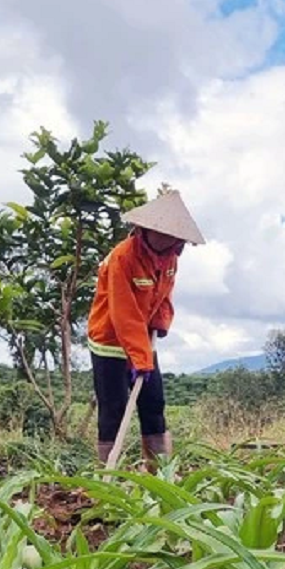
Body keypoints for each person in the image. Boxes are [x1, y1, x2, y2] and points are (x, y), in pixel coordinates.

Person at [87, 189, 205, 468]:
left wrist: (161, 323)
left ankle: (158, 470)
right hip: (110, 340)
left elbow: (164, 296)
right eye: (161, 233)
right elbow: (123, 313)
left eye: (174, 236)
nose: (168, 239)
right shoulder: (122, 258)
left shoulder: (170, 259)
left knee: (154, 403)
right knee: (114, 408)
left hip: (142, 339)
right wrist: (140, 360)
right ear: (144, 229)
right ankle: (109, 471)